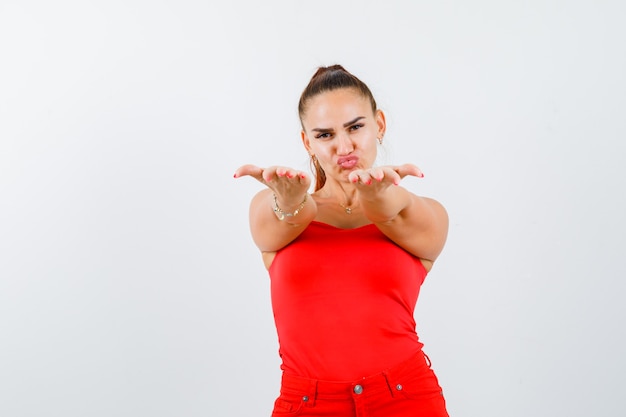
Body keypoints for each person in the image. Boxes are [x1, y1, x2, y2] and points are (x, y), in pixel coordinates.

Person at [234, 64, 450, 417]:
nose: (343, 146)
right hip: (306, 404)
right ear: (307, 141)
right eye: (324, 135)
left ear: (378, 124)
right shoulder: (272, 209)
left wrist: (378, 196)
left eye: (355, 127)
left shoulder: (423, 214)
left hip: (406, 399)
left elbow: (394, 211)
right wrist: (289, 201)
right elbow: (287, 218)